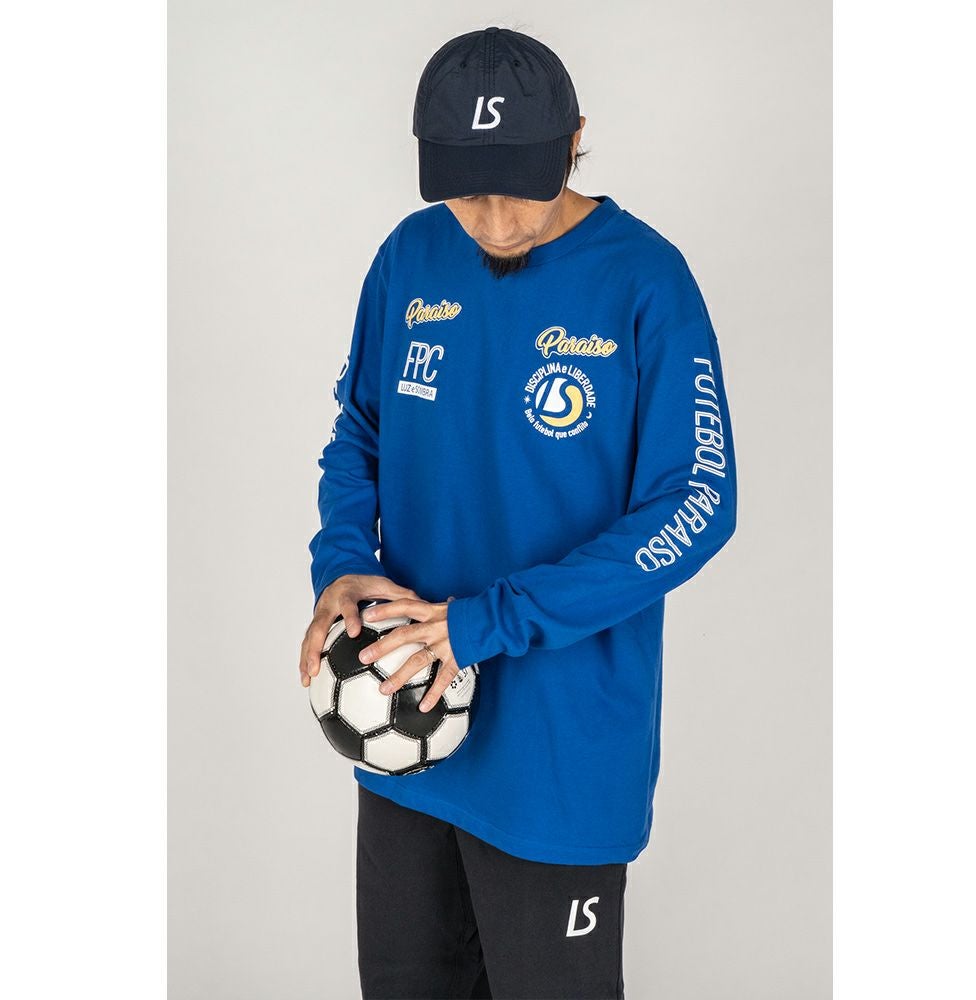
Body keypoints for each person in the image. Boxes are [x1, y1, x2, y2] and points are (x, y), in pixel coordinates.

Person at [299, 25, 738, 1000]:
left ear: (575, 142)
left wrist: (487, 621)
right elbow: (360, 431)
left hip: (559, 751)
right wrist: (342, 563)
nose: (495, 221)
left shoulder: (645, 281)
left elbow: (699, 500)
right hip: (403, 725)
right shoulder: (410, 257)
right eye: (466, 192)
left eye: (519, 189)